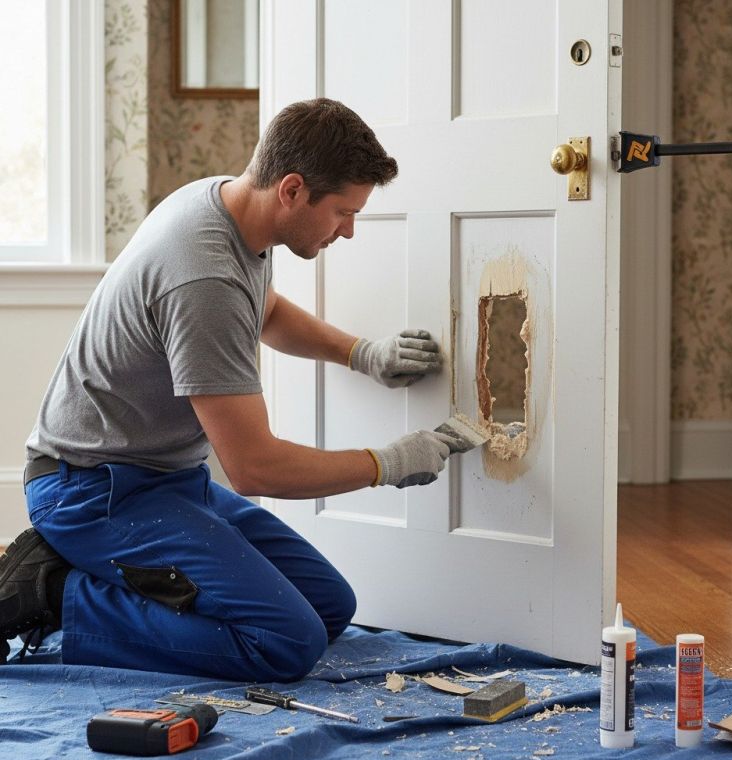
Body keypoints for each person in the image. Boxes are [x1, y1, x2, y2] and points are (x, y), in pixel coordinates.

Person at [0, 98, 456, 681]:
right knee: (284, 642)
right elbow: (255, 468)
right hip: (93, 491)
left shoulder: (228, 206)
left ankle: (117, 584)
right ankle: (54, 594)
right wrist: (386, 463)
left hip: (166, 479)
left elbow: (263, 311)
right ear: (292, 190)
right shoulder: (203, 271)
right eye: (343, 212)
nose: (349, 230)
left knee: (329, 607)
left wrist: (362, 354)